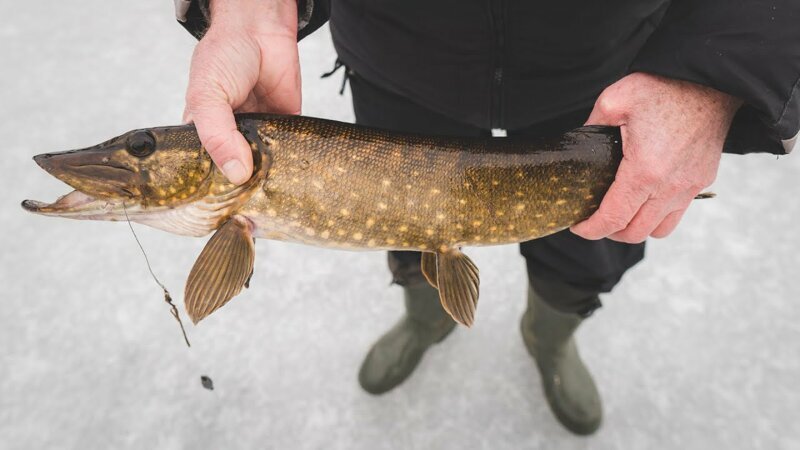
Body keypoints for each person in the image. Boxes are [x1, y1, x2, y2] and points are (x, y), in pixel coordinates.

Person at [173, 0, 799, 435]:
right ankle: (428, 319)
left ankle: (550, 337)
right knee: (402, 227)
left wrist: (719, 73)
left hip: (610, 70)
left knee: (593, 241)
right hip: (402, 62)